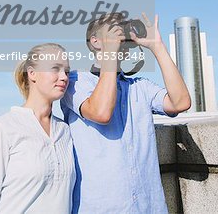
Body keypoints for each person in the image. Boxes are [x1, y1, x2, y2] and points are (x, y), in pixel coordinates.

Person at [61, 12, 191, 214]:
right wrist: (110, 55)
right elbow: (101, 113)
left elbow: (181, 102)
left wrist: (157, 47)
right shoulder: (74, 82)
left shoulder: (140, 86)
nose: (121, 35)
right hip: (101, 208)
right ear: (95, 41)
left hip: (149, 206)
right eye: (113, 30)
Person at [0, 43, 76, 214]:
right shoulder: (2, 128)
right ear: (32, 73)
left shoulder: (65, 130)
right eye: (55, 68)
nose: (64, 77)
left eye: (67, 71)